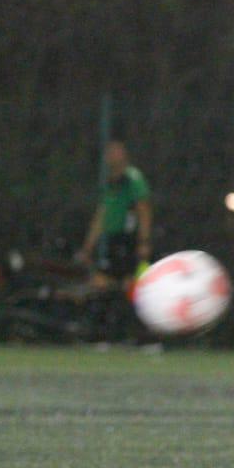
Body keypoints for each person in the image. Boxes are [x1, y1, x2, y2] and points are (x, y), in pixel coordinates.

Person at [77, 140, 152, 340]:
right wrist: (88, 246)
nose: (111, 155)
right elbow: (101, 215)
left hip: (129, 240)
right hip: (114, 240)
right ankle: (105, 334)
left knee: (131, 286)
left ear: (124, 154)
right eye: (108, 152)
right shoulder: (110, 182)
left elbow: (143, 209)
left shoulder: (132, 178)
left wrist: (143, 241)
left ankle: (141, 337)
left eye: (115, 151)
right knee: (102, 284)